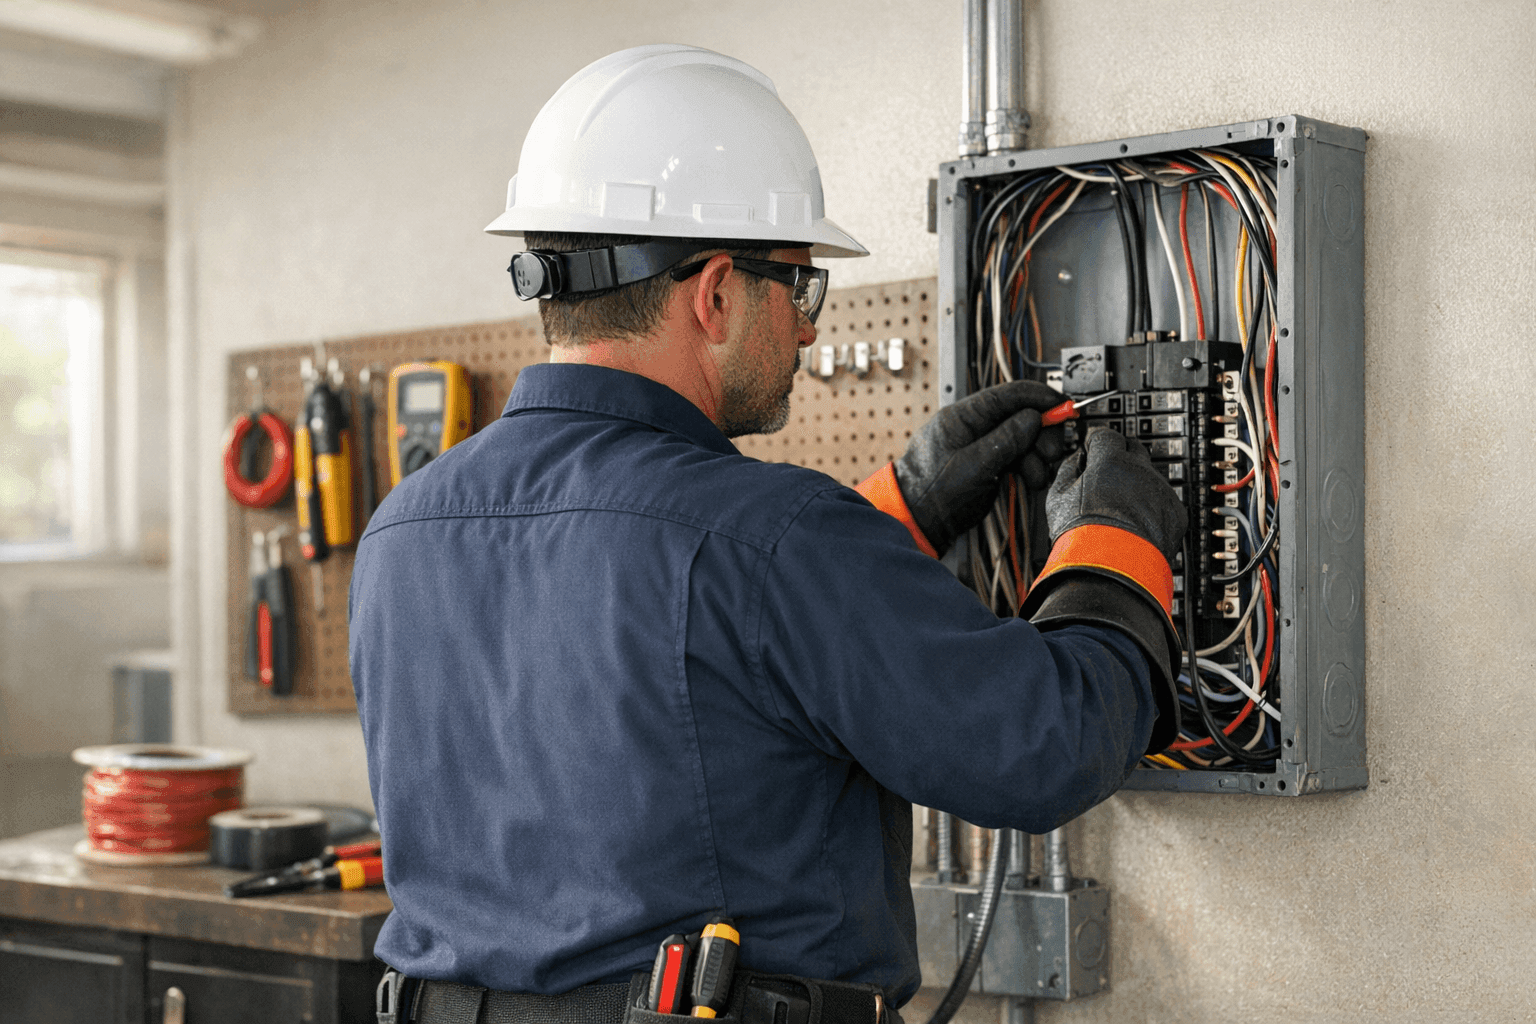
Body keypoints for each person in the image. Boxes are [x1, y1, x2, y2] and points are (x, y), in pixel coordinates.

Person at [352, 44, 1185, 1024]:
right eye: (800, 286)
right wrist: (1116, 540)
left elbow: (690, 668)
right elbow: (1047, 743)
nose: (807, 331)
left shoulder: (402, 530)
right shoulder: (772, 544)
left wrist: (901, 511)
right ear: (712, 292)